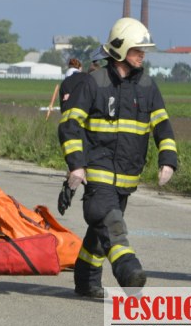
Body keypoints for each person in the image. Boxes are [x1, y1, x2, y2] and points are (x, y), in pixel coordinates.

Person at [58, 17, 178, 298]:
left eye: (143, 50)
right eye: (137, 49)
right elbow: (69, 125)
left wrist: (168, 159)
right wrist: (76, 165)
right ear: (120, 49)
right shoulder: (93, 83)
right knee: (111, 223)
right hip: (98, 171)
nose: (142, 55)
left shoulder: (147, 86)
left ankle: (86, 281)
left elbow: (162, 125)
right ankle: (129, 271)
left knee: (100, 231)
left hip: (127, 175)